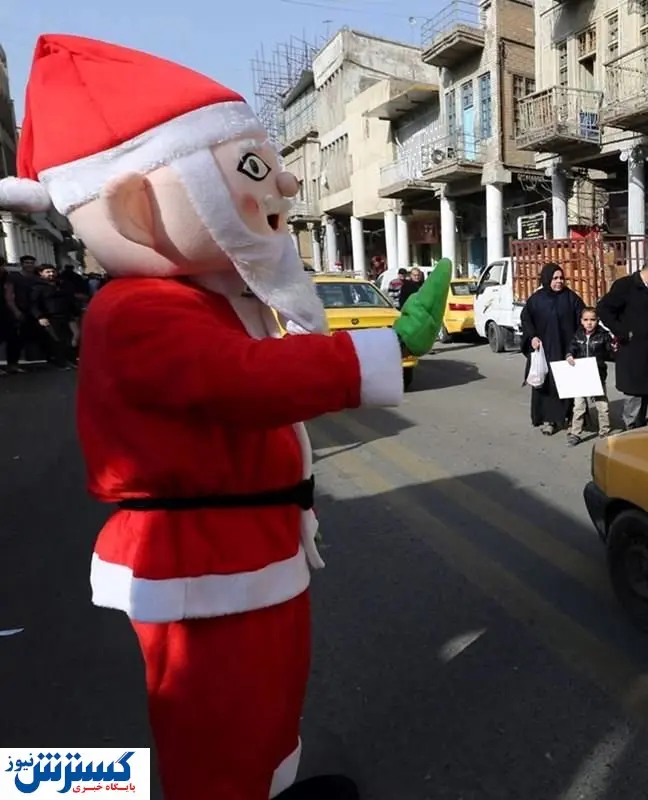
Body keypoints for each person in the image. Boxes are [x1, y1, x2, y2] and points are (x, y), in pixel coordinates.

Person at [0, 33, 452, 800]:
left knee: (267, 702)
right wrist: (382, 347)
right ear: (138, 207)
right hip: (195, 558)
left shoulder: (198, 300)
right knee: (217, 725)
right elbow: (244, 383)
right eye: (253, 168)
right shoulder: (136, 312)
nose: (286, 178)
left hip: (241, 547)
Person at [596, 254, 648, 428]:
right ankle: (629, 435)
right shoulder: (626, 286)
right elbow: (604, 309)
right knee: (634, 398)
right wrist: (622, 332)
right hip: (632, 352)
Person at [521, 262, 585, 435]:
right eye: (555, 278)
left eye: (561, 278)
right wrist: (532, 336)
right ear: (547, 279)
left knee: (568, 385)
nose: (559, 281)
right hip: (545, 351)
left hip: (567, 349)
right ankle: (549, 420)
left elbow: (584, 319)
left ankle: (572, 417)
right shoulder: (537, 299)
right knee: (547, 386)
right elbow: (526, 320)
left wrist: (578, 343)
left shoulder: (571, 298)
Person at [565, 306, 613, 446]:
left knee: (602, 405)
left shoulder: (603, 335)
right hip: (581, 376)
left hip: (597, 375)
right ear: (581, 321)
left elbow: (610, 350)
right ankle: (575, 433)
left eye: (592, 320)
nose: (589, 323)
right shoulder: (577, 335)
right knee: (579, 406)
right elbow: (571, 348)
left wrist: (613, 346)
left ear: (597, 321)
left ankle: (604, 431)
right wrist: (569, 355)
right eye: (586, 320)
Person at [30, 263, 78, 366]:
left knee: (70, 339)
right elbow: (33, 304)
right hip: (49, 317)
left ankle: (70, 360)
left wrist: (74, 313)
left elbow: (69, 300)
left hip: (65, 316)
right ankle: (59, 362)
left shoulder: (61, 285)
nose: (51, 274)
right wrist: (40, 317)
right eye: (48, 272)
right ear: (40, 273)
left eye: (53, 271)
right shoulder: (37, 287)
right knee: (56, 340)